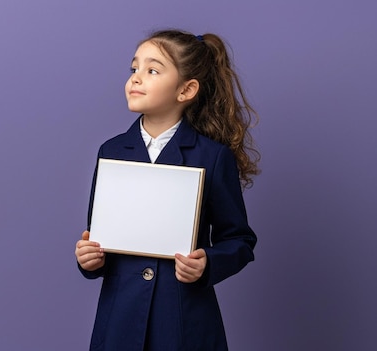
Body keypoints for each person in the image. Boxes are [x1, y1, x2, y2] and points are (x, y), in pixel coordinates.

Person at [74, 29, 260, 351]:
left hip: (183, 321)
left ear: (186, 90)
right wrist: (89, 258)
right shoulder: (112, 151)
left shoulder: (212, 157)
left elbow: (240, 240)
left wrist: (208, 263)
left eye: (152, 70)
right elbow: (100, 236)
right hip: (120, 320)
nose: (136, 78)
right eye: (134, 69)